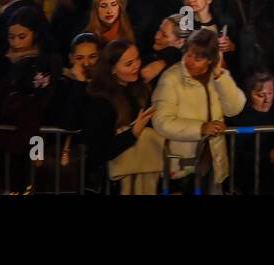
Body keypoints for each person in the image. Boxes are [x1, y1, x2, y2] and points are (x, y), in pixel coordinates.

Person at [151, 28, 246, 194]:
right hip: (181, 165)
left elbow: (235, 109)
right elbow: (161, 121)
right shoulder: (171, 78)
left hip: (213, 161)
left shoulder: (217, 77)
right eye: (188, 54)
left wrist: (219, 76)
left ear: (210, 60)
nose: (190, 61)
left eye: (198, 58)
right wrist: (200, 128)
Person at [83, 40, 161, 194]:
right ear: (112, 69)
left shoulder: (140, 90)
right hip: (110, 183)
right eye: (129, 63)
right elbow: (98, 152)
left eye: (137, 59)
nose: (137, 66)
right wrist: (132, 133)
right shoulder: (100, 101)